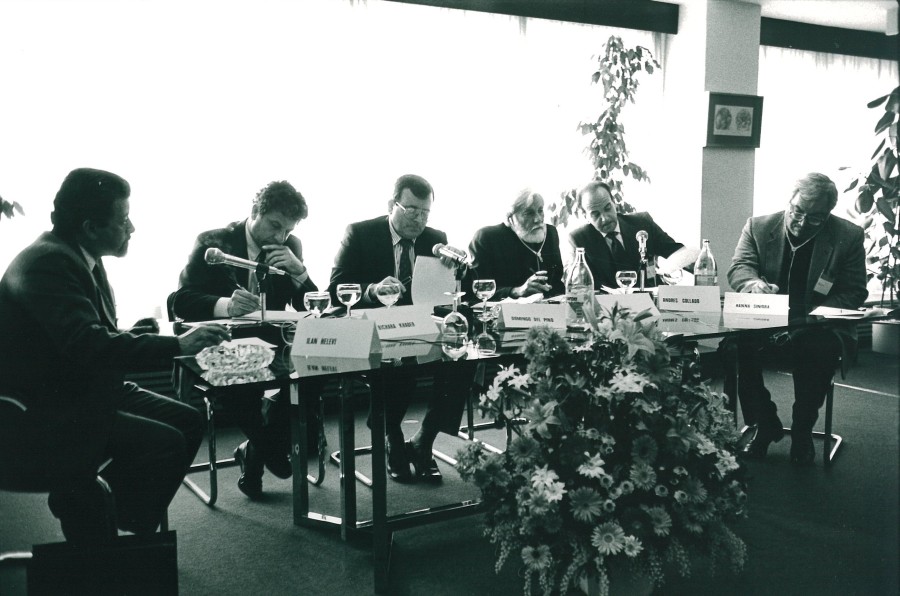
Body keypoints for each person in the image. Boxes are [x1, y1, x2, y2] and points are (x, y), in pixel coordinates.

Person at [0, 168, 229, 543]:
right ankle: (89, 510)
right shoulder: (48, 263)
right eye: (124, 220)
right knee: (164, 444)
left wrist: (138, 334)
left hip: (80, 389)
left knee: (188, 422)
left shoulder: (77, 254)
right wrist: (179, 346)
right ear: (91, 227)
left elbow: (80, 338)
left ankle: (108, 521)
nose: (132, 228)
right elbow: (88, 345)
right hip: (38, 413)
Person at [170, 180, 319, 498]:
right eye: (275, 226)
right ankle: (267, 450)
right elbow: (180, 301)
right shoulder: (214, 242)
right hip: (223, 343)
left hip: (272, 345)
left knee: (312, 376)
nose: (280, 237)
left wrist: (300, 273)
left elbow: (312, 306)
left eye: (287, 231)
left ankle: (255, 451)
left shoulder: (290, 247)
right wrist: (226, 305)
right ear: (254, 212)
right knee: (240, 381)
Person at [328, 174, 466, 483]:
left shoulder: (435, 239)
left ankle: (423, 441)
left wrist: (456, 271)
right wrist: (372, 290)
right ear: (392, 205)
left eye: (426, 212)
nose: (420, 220)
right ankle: (392, 436)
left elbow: (450, 290)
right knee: (403, 359)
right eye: (412, 210)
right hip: (376, 329)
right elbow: (336, 288)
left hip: (422, 324)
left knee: (461, 358)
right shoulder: (360, 233)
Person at [726, 172, 867, 466]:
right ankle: (765, 423)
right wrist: (753, 284)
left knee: (817, 348)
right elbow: (740, 267)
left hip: (818, 324)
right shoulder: (758, 227)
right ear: (789, 201)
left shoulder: (848, 236)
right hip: (766, 321)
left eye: (814, 219)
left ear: (828, 214)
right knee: (733, 346)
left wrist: (814, 316)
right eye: (797, 212)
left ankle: (802, 429)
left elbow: (854, 291)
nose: (802, 223)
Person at [568, 180, 698, 290]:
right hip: (608, 308)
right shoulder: (579, 239)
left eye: (608, 208)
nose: (604, 218)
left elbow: (677, 252)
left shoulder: (642, 223)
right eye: (595, 214)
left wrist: (696, 263)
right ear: (585, 215)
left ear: (614, 203)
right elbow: (579, 285)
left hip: (651, 301)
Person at [468, 189, 565, 300]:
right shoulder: (487, 237)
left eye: (540, 210)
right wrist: (516, 291)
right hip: (505, 308)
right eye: (528, 213)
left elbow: (557, 281)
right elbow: (478, 289)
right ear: (510, 219)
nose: (538, 219)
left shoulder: (550, 233)